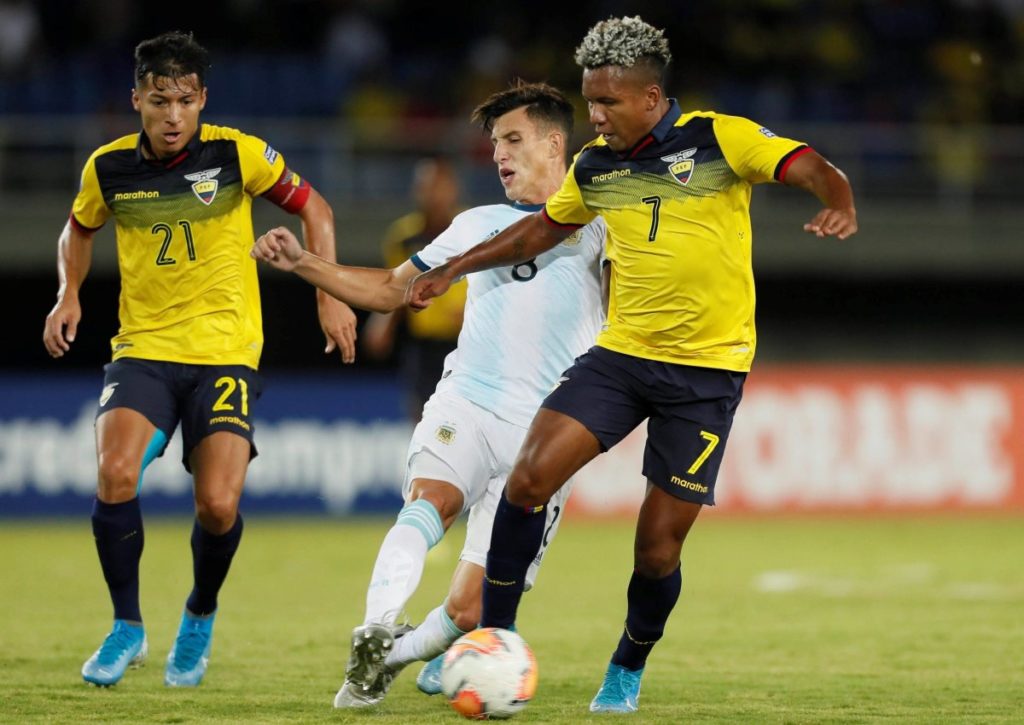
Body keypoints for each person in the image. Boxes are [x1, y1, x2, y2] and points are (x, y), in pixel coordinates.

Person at [407, 16, 858, 714]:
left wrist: (839, 201)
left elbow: (811, 167)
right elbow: (539, 229)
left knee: (656, 550)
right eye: (590, 101)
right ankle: (494, 640)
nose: (594, 116)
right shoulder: (595, 166)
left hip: (705, 376)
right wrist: (454, 267)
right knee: (527, 479)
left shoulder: (720, 139)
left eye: (607, 103)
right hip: (621, 357)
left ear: (650, 97)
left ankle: (627, 664)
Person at [250, 80, 607, 708]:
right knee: (428, 503)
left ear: (556, 145)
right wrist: (305, 264)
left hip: (548, 432)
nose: (499, 154)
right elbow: (392, 289)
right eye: (495, 144)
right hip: (468, 401)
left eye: (513, 139)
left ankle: (389, 657)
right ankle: (377, 623)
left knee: (470, 609)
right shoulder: (476, 224)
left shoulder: (603, 226)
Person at [41, 31, 357, 688]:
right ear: (137, 100)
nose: (173, 115)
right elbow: (78, 228)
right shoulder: (107, 168)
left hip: (225, 354)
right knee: (115, 472)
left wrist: (329, 295)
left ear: (202, 100)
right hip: (144, 349)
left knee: (217, 505)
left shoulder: (237, 154)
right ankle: (127, 626)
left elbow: (317, 209)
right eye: (160, 101)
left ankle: (199, 612)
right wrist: (68, 293)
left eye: (185, 101)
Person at [361, 157, 466, 421]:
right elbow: (395, 285)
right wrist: (383, 322)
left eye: (438, 186)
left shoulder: (471, 229)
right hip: (423, 344)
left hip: (465, 341)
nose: (432, 195)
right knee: (421, 415)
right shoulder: (403, 236)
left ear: (453, 189)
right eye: (425, 187)